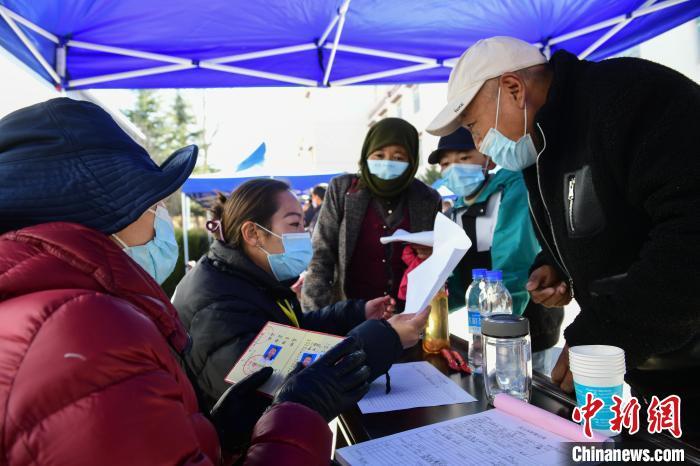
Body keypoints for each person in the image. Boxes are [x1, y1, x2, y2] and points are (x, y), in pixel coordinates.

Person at [0, 98, 373, 466]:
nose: (162, 218)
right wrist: (299, 413)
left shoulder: (47, 307)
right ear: (107, 211)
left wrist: (213, 435)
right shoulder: (86, 327)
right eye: (153, 205)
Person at [427, 36, 700, 430]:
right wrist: (557, 265)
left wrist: (608, 328)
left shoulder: (628, 98)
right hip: (658, 371)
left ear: (514, 89)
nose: (480, 144)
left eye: (473, 127)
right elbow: (607, 219)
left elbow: (689, 231)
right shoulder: (539, 148)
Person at [173, 178, 431, 413]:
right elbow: (286, 388)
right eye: (295, 224)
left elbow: (291, 335)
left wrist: (356, 313)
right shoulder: (218, 305)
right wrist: (388, 338)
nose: (304, 235)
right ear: (252, 233)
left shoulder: (247, 279)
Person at [429, 127, 563, 361]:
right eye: (446, 164)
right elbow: (458, 278)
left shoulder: (512, 186)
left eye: (464, 158)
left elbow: (514, 255)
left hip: (527, 317)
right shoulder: (456, 210)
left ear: (488, 159)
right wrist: (431, 307)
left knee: (532, 389)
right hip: (487, 325)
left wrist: (500, 323)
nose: (455, 168)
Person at [302, 118, 442, 312]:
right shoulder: (342, 190)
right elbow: (321, 256)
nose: (387, 163)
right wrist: (317, 316)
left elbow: (439, 260)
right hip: (349, 316)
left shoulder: (427, 198)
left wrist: (433, 254)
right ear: (366, 155)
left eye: (399, 158)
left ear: (412, 161)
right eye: (379, 155)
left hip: (409, 318)